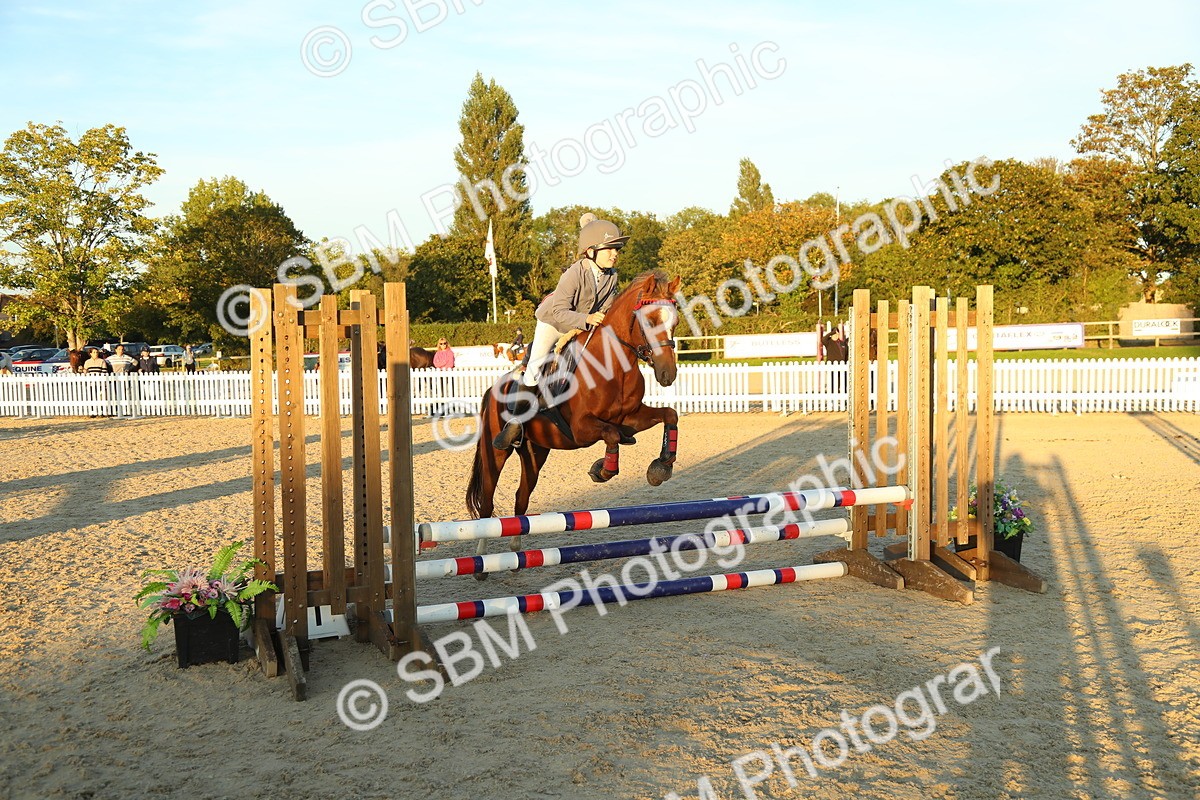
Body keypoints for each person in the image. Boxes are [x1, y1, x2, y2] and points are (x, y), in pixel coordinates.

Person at [493, 214, 627, 450]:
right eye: (610, 249)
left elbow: (605, 309)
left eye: (616, 249)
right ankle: (514, 423)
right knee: (535, 366)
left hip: (579, 326)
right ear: (591, 251)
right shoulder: (574, 273)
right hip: (553, 322)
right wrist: (586, 319)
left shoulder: (612, 276)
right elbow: (559, 310)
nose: (615, 254)